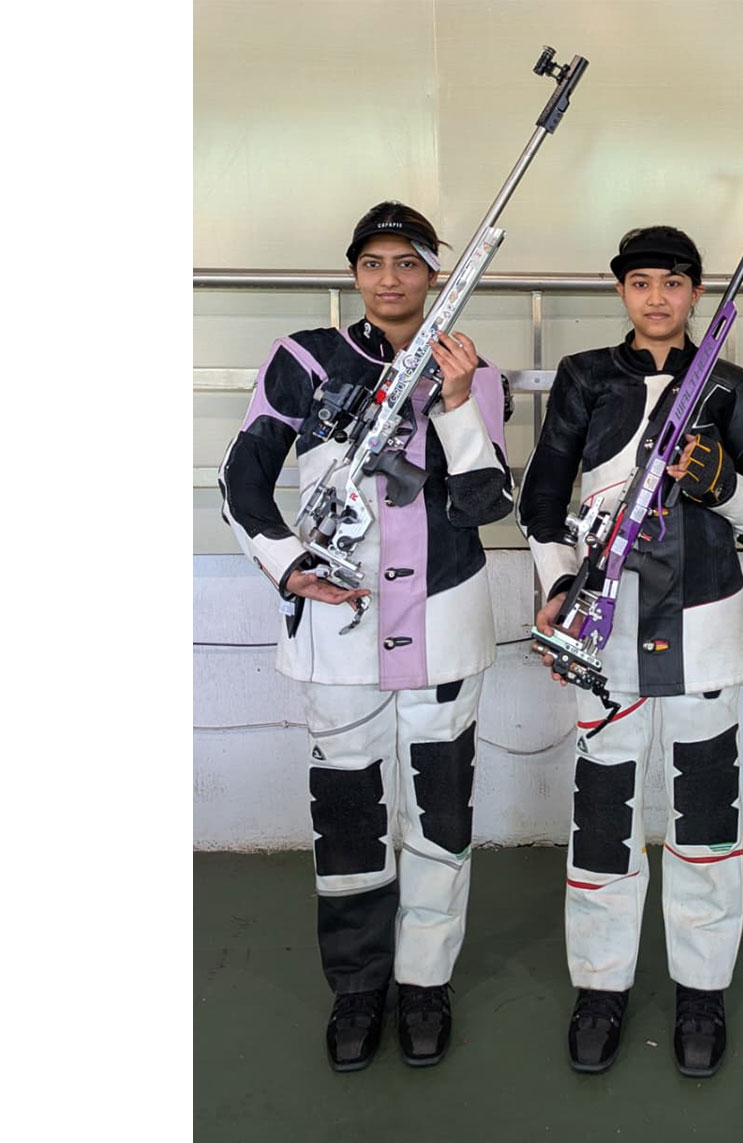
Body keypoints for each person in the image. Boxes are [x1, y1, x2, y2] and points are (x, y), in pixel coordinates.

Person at [217, 200, 514, 1073]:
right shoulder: (304, 360)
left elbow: (485, 503)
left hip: (446, 627)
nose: (391, 278)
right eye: (375, 262)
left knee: (441, 814)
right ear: (355, 272)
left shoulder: (470, 368)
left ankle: (425, 984)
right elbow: (243, 478)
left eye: (409, 263)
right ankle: (356, 989)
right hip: (338, 634)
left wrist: (456, 403)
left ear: (433, 275)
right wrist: (282, 563)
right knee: (347, 818)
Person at [518, 226, 743, 1077]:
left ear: (698, 293)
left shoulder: (733, 386)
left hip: (707, 632)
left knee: (706, 822)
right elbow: (542, 499)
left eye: (674, 282)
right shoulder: (585, 379)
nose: (658, 297)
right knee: (603, 819)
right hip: (606, 635)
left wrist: (718, 481)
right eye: (641, 282)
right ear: (622, 292)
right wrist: (560, 586)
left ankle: (702, 991)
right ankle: (601, 986)